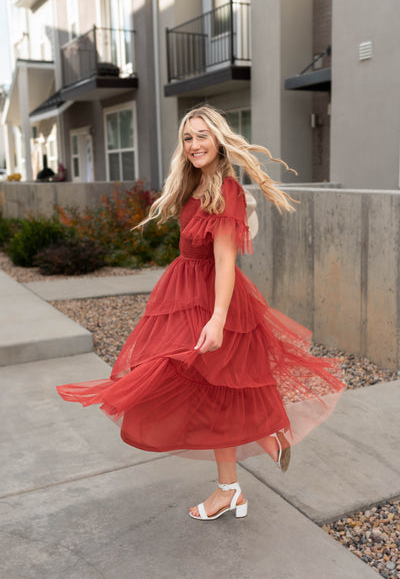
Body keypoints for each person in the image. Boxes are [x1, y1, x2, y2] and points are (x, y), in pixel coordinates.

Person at [57, 105, 345, 521]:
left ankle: (236, 480)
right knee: (206, 387)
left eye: (202, 136)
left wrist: (217, 319)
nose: (194, 145)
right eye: (188, 137)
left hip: (210, 299)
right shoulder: (194, 184)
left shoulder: (225, 190)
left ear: (219, 139)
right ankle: (244, 471)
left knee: (201, 383)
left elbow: (226, 262)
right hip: (183, 292)